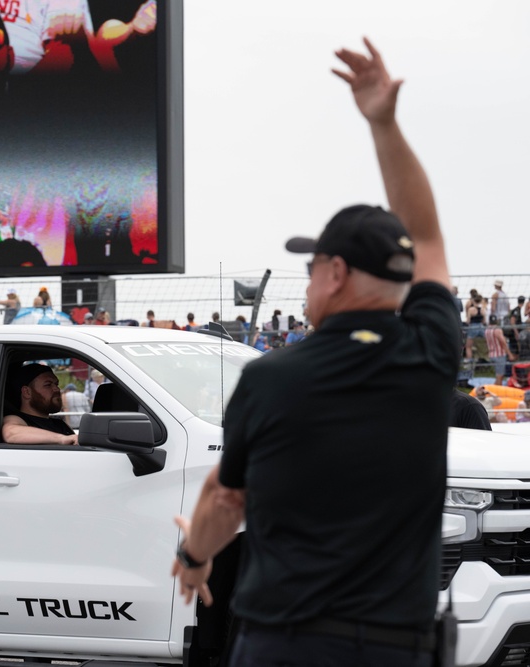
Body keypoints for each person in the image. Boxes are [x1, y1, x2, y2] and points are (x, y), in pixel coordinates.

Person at [172, 39, 459, 666]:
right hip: (396, 648)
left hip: (286, 644)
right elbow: (428, 236)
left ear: (334, 273)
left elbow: (227, 499)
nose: (304, 285)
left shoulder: (272, 378)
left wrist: (194, 556)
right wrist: (383, 123)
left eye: (310, 269)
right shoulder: (432, 356)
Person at [2, 363, 77, 445]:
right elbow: (11, 433)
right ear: (27, 392)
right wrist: (62, 439)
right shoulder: (17, 419)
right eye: (48, 385)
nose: (57, 389)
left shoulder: (60, 424)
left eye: (56, 384)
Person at [486, 314, 516, 385]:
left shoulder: (487, 330)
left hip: (492, 354)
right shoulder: (497, 330)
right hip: (499, 355)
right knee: (500, 376)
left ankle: (493, 389)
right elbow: (503, 343)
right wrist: (510, 354)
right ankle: (497, 393)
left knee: (498, 376)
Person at [465, 293, 487, 363]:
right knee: (485, 344)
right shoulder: (483, 309)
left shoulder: (471, 309)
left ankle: (469, 362)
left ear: (473, 301)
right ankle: (485, 358)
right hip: (481, 326)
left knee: (468, 347)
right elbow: (484, 321)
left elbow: (468, 321)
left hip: (473, 326)